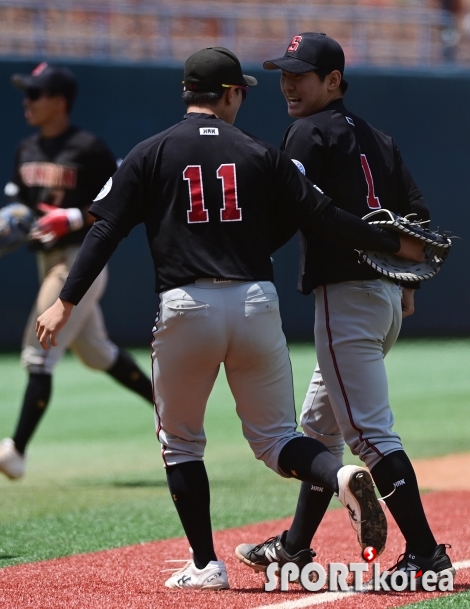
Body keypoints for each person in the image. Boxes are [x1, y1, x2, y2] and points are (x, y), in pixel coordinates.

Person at [35, 47, 424, 591]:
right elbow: (324, 216)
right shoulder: (263, 153)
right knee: (277, 439)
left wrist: (67, 299)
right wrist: (390, 246)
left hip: (185, 306)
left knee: (182, 441)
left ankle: (204, 563)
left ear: (187, 93)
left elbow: (106, 228)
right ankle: (337, 476)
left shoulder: (151, 152)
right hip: (255, 304)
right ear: (233, 93)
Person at [235, 33, 455, 587]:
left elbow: (289, 210)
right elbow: (418, 217)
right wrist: (408, 287)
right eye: (284, 72)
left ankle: (426, 553)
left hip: (347, 297)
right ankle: (294, 547)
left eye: (300, 74)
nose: (288, 83)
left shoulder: (307, 132)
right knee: (318, 426)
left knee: (370, 435)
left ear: (333, 80)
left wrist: (239, 252)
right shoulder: (378, 137)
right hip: (382, 299)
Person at [0, 63, 154, 481]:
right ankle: (167, 407)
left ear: (59, 101)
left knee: (38, 352)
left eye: (35, 94)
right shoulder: (26, 149)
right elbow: (18, 207)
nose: (27, 102)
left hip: (79, 264)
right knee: (96, 353)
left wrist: (69, 216)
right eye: (26, 94)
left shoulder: (88, 148)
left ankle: (15, 451)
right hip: (45, 261)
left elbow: (119, 205)